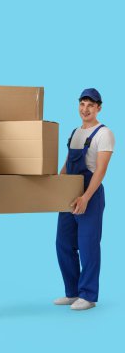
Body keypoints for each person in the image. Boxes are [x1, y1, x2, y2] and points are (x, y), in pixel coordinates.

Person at [54, 88, 115, 310]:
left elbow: (100, 170)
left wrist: (86, 197)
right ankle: (72, 292)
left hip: (90, 193)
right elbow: (67, 163)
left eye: (90, 105)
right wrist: (56, 187)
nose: (85, 109)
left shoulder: (104, 133)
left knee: (88, 244)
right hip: (68, 193)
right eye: (82, 104)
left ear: (98, 108)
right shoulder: (75, 132)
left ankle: (88, 295)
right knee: (63, 243)